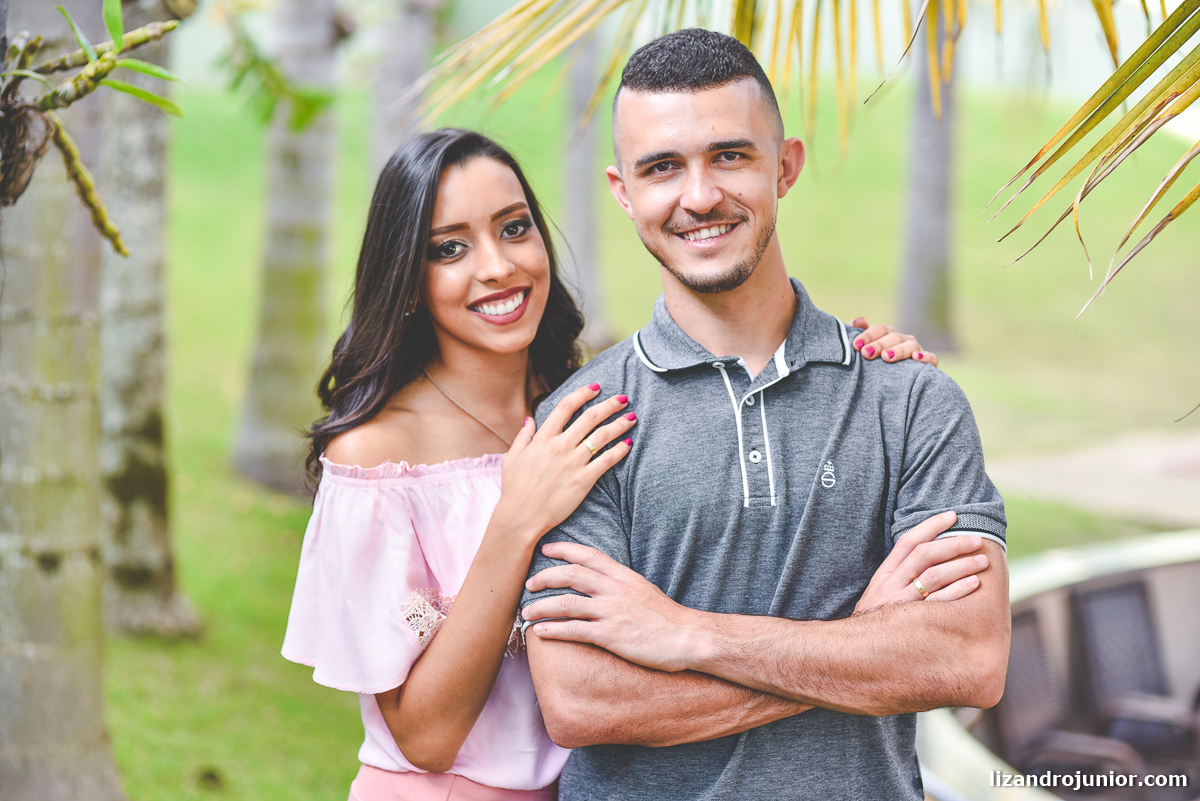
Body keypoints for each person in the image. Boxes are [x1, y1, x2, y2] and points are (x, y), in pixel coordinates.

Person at [280, 128, 985, 801]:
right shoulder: (376, 459)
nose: (497, 265)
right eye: (449, 248)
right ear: (406, 276)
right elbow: (425, 736)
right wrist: (851, 654)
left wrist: (861, 360)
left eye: (514, 227)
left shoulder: (591, 407)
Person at [518, 29, 1010, 801]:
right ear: (623, 191)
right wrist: (859, 642)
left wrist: (684, 633)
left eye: (730, 156)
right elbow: (583, 699)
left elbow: (967, 658)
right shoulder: (579, 426)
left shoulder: (910, 400)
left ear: (785, 166)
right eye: (662, 168)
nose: (699, 195)